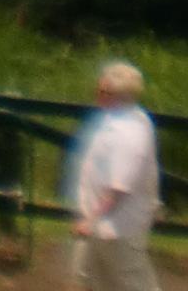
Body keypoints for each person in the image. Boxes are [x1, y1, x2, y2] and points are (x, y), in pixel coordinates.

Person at [71, 61, 160, 291]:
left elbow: (118, 187)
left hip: (118, 227)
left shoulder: (129, 132)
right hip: (104, 225)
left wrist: (90, 220)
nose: (96, 95)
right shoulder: (119, 119)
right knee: (97, 281)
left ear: (117, 95)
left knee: (131, 283)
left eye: (102, 91)